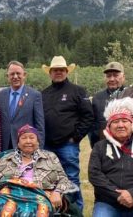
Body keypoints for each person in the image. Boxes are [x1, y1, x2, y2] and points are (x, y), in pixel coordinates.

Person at [0, 124, 80, 216]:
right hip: (9, 193)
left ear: (38, 141)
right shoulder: (6, 158)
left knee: (40, 211)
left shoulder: (50, 157)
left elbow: (64, 179)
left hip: (40, 194)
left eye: (32, 138)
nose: (28, 141)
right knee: (0, 207)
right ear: (18, 142)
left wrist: (57, 192)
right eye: (24, 138)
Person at [41, 55, 94, 211]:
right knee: (48, 180)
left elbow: (88, 116)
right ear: (50, 73)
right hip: (47, 146)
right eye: (55, 70)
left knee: (71, 179)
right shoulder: (43, 94)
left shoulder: (78, 91)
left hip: (67, 145)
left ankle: (75, 211)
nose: (58, 72)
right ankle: (53, 211)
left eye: (61, 70)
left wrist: (76, 137)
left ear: (66, 72)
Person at [0, 60, 45, 151]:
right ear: (7, 76)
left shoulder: (34, 95)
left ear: (24, 75)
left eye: (18, 73)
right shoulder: (0, 95)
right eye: (12, 74)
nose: (15, 77)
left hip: (26, 146)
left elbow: (40, 126)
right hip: (5, 146)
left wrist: (39, 149)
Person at [89, 61, 126, 148]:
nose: (112, 79)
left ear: (123, 77)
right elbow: (92, 125)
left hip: (128, 148)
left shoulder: (132, 96)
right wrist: (96, 145)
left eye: (115, 75)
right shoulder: (97, 98)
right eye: (108, 76)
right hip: (104, 148)